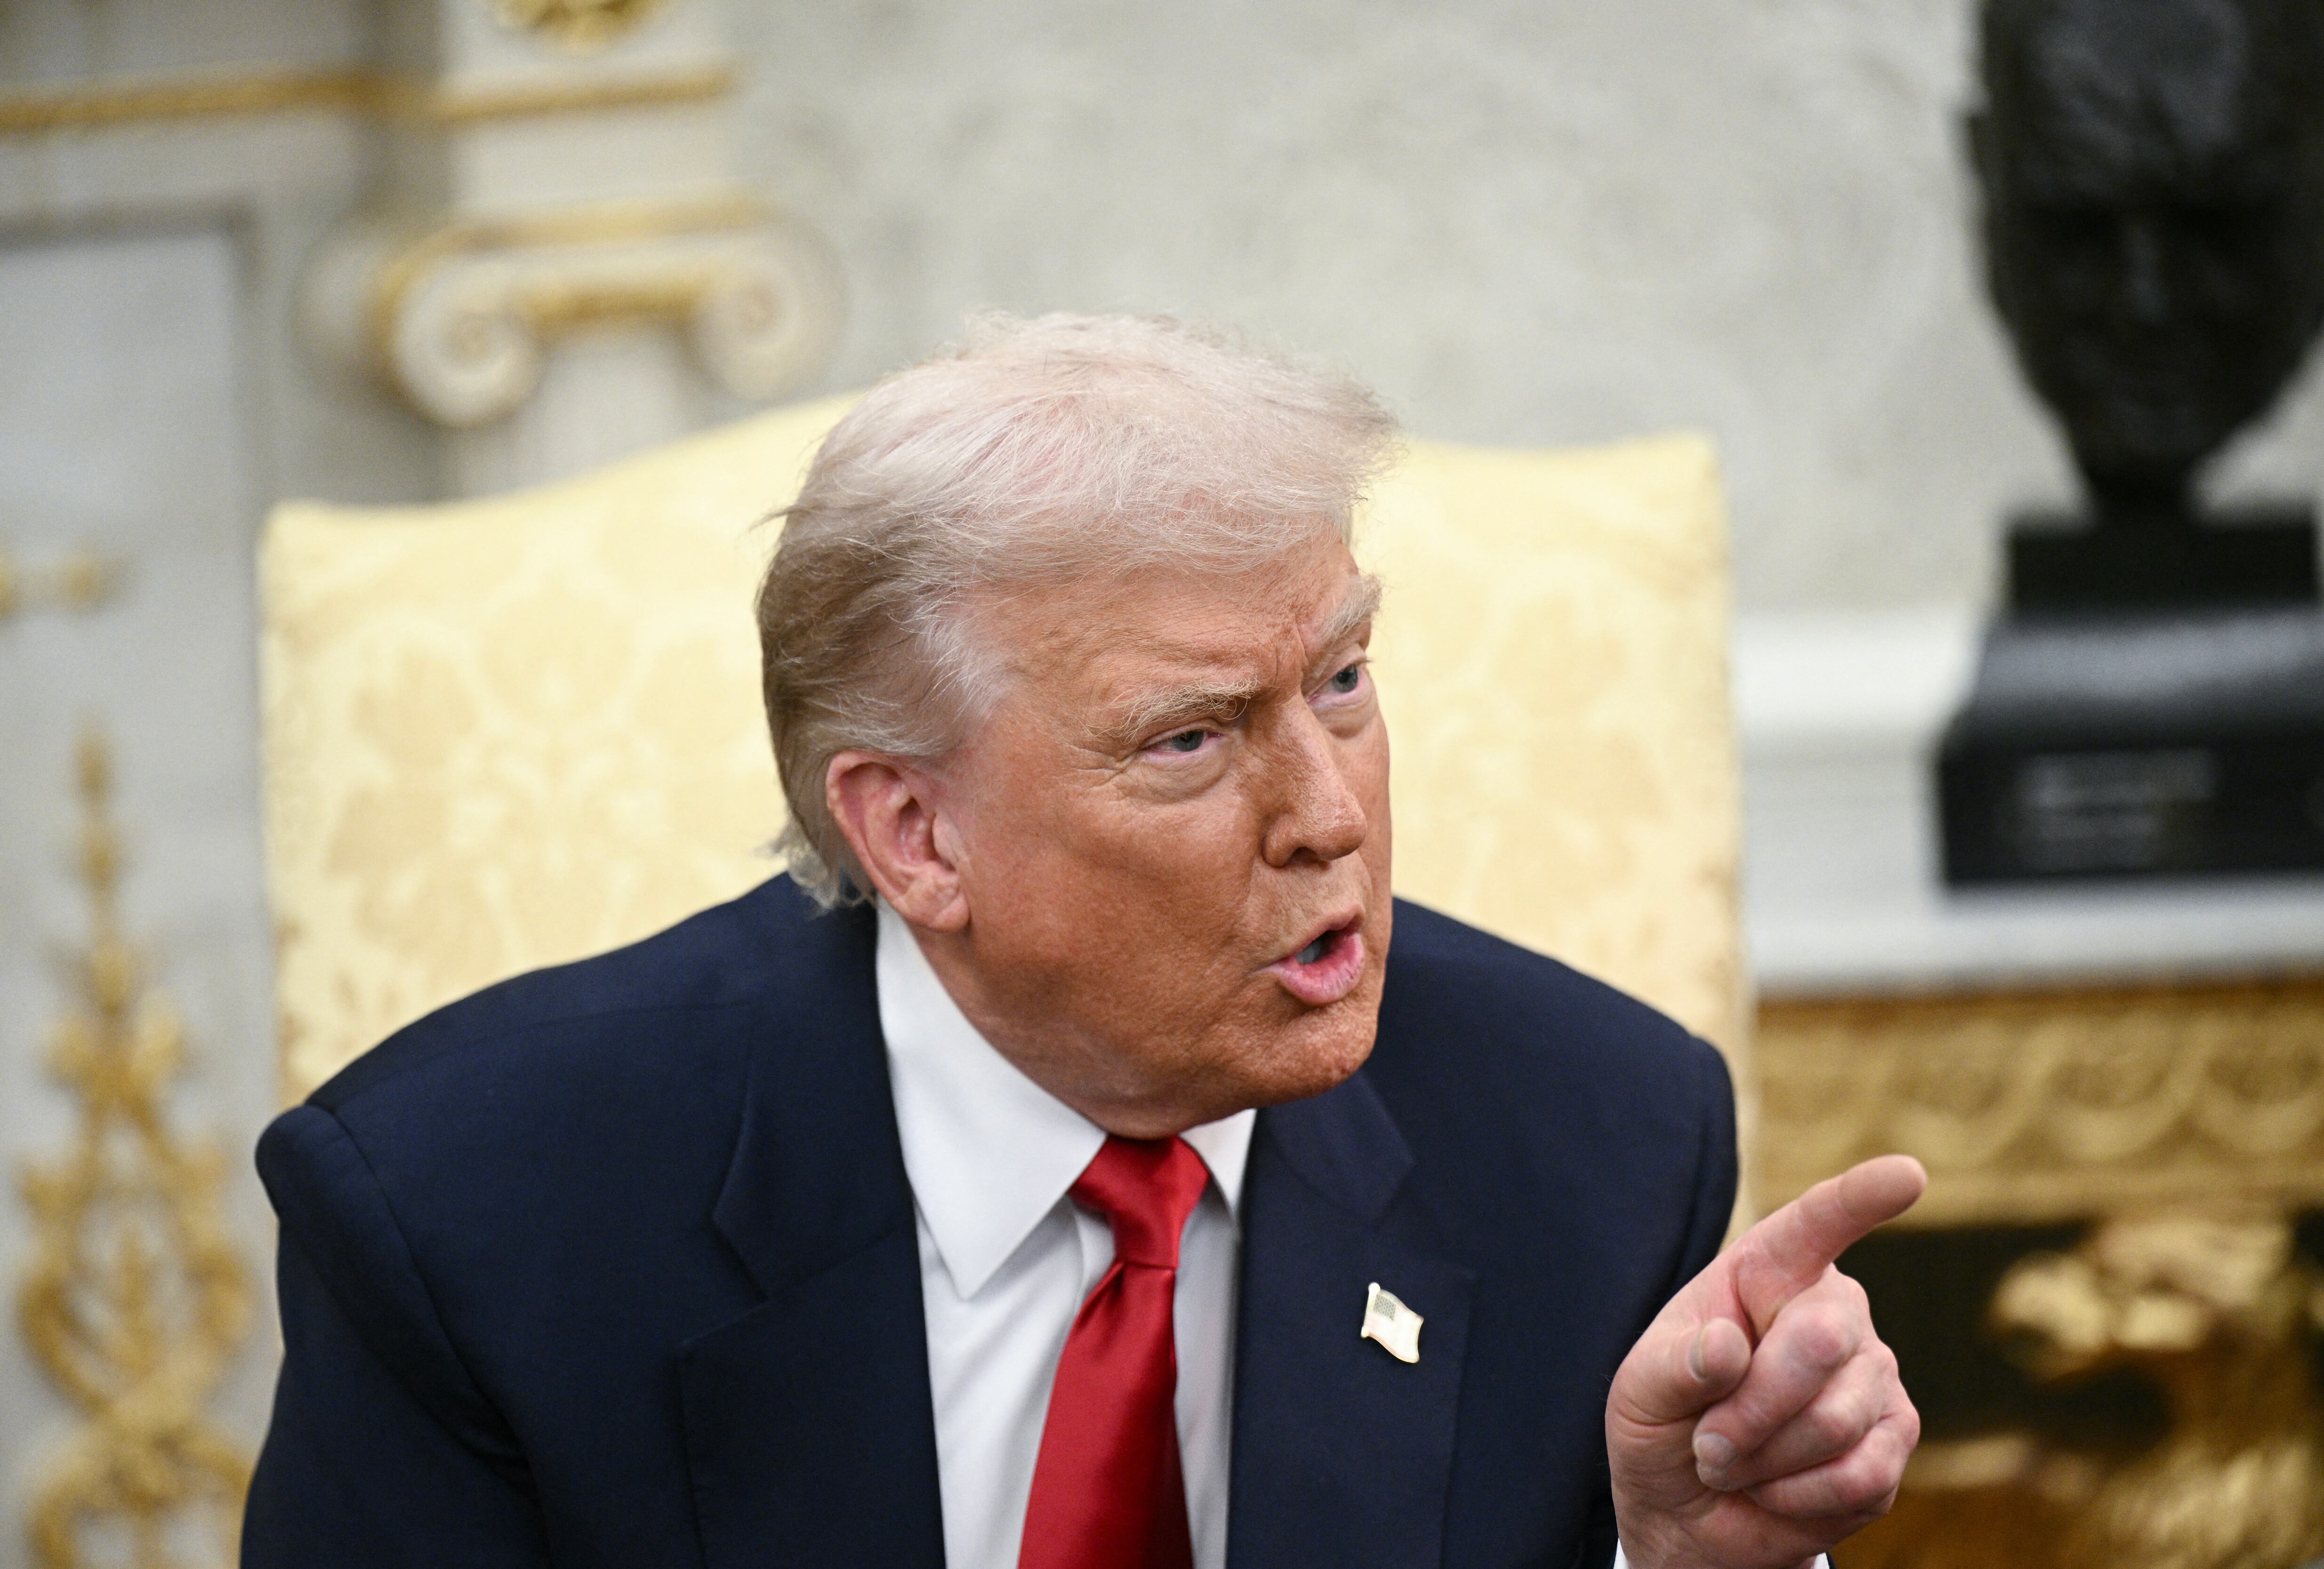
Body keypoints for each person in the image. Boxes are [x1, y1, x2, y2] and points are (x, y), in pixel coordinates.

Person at [242, 314, 1919, 1569]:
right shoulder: (466, 1217)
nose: (1329, 815)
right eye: (1191, 739)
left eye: (1341, 679)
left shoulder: (1597, 1141)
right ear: (915, 834)